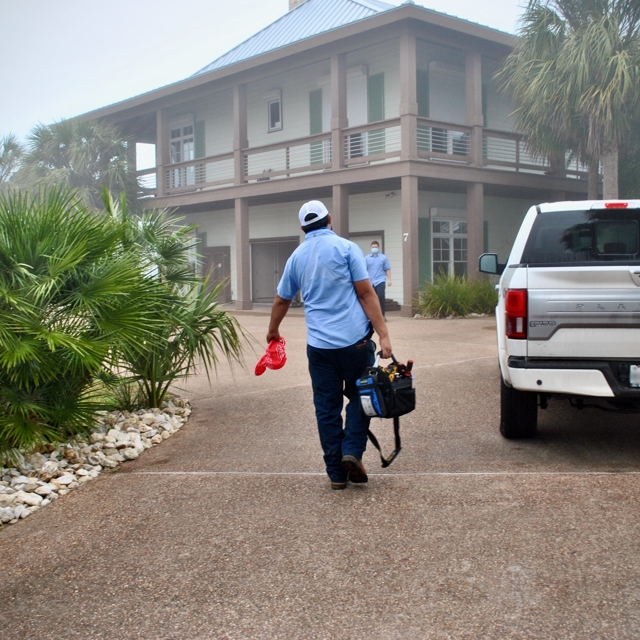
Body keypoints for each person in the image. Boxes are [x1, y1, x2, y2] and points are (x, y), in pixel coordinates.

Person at [267, 200, 392, 491]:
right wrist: (384, 335)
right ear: (330, 219)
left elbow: (281, 299)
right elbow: (365, 293)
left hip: (320, 348)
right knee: (362, 398)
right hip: (356, 344)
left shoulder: (296, 257)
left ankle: (336, 473)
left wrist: (273, 331)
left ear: (302, 227)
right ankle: (352, 451)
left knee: (326, 408)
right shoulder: (347, 249)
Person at [365, 241, 392, 319]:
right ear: (370, 248)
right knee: (371, 298)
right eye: (373, 247)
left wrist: (389, 279)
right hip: (370, 281)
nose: (374, 248)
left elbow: (387, 269)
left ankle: (382, 315)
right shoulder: (366, 258)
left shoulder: (383, 258)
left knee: (380, 296)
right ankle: (372, 316)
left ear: (378, 247)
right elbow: (363, 270)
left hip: (380, 280)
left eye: (375, 247)